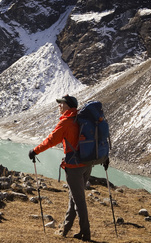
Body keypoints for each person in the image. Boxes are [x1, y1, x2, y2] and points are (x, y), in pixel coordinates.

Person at [28, 95, 92, 241]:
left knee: (79, 201)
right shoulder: (80, 119)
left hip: (74, 167)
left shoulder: (66, 122)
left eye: (61, 104)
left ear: (68, 105)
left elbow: (51, 140)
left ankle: (86, 234)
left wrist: (35, 151)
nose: (59, 106)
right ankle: (66, 229)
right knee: (74, 198)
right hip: (86, 165)